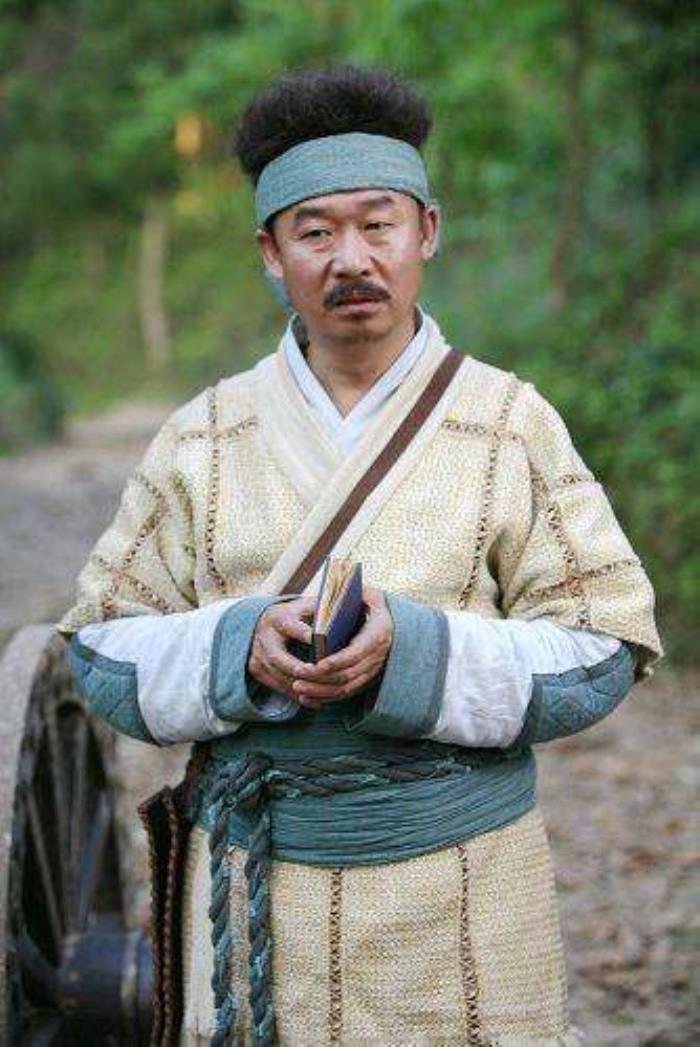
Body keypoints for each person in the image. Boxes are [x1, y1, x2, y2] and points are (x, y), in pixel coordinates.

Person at [60, 65, 662, 1046]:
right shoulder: (201, 437)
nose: (352, 259)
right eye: (315, 232)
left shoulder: (510, 423)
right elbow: (101, 647)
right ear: (270, 251)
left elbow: (603, 645)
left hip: (465, 893)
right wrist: (241, 645)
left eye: (378, 225)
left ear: (427, 231)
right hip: (254, 888)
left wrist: (412, 655)